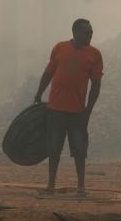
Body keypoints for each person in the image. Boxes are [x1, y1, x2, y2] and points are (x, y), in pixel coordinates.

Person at [33, 18, 103, 197]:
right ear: (75, 32)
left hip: (77, 112)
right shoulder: (60, 48)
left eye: (91, 32)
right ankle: (51, 185)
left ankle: (81, 187)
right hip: (55, 109)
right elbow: (48, 73)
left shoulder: (94, 54)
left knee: (79, 150)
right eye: (86, 32)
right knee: (53, 149)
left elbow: (96, 85)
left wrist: (88, 111)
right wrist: (38, 93)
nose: (89, 35)